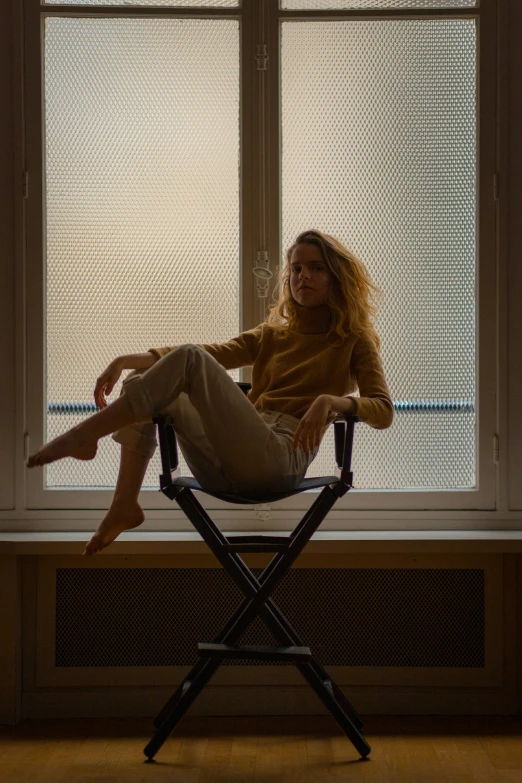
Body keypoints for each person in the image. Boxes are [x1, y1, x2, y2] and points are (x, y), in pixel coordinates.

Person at [26, 229, 394, 556]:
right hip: (225, 463)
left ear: (336, 277)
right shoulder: (272, 334)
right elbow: (214, 353)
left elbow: (383, 410)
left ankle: (84, 434)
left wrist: (331, 401)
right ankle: (124, 504)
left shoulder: (353, 340)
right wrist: (124, 359)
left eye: (316, 268)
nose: (303, 277)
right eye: (296, 269)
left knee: (187, 359)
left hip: (279, 459)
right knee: (143, 376)